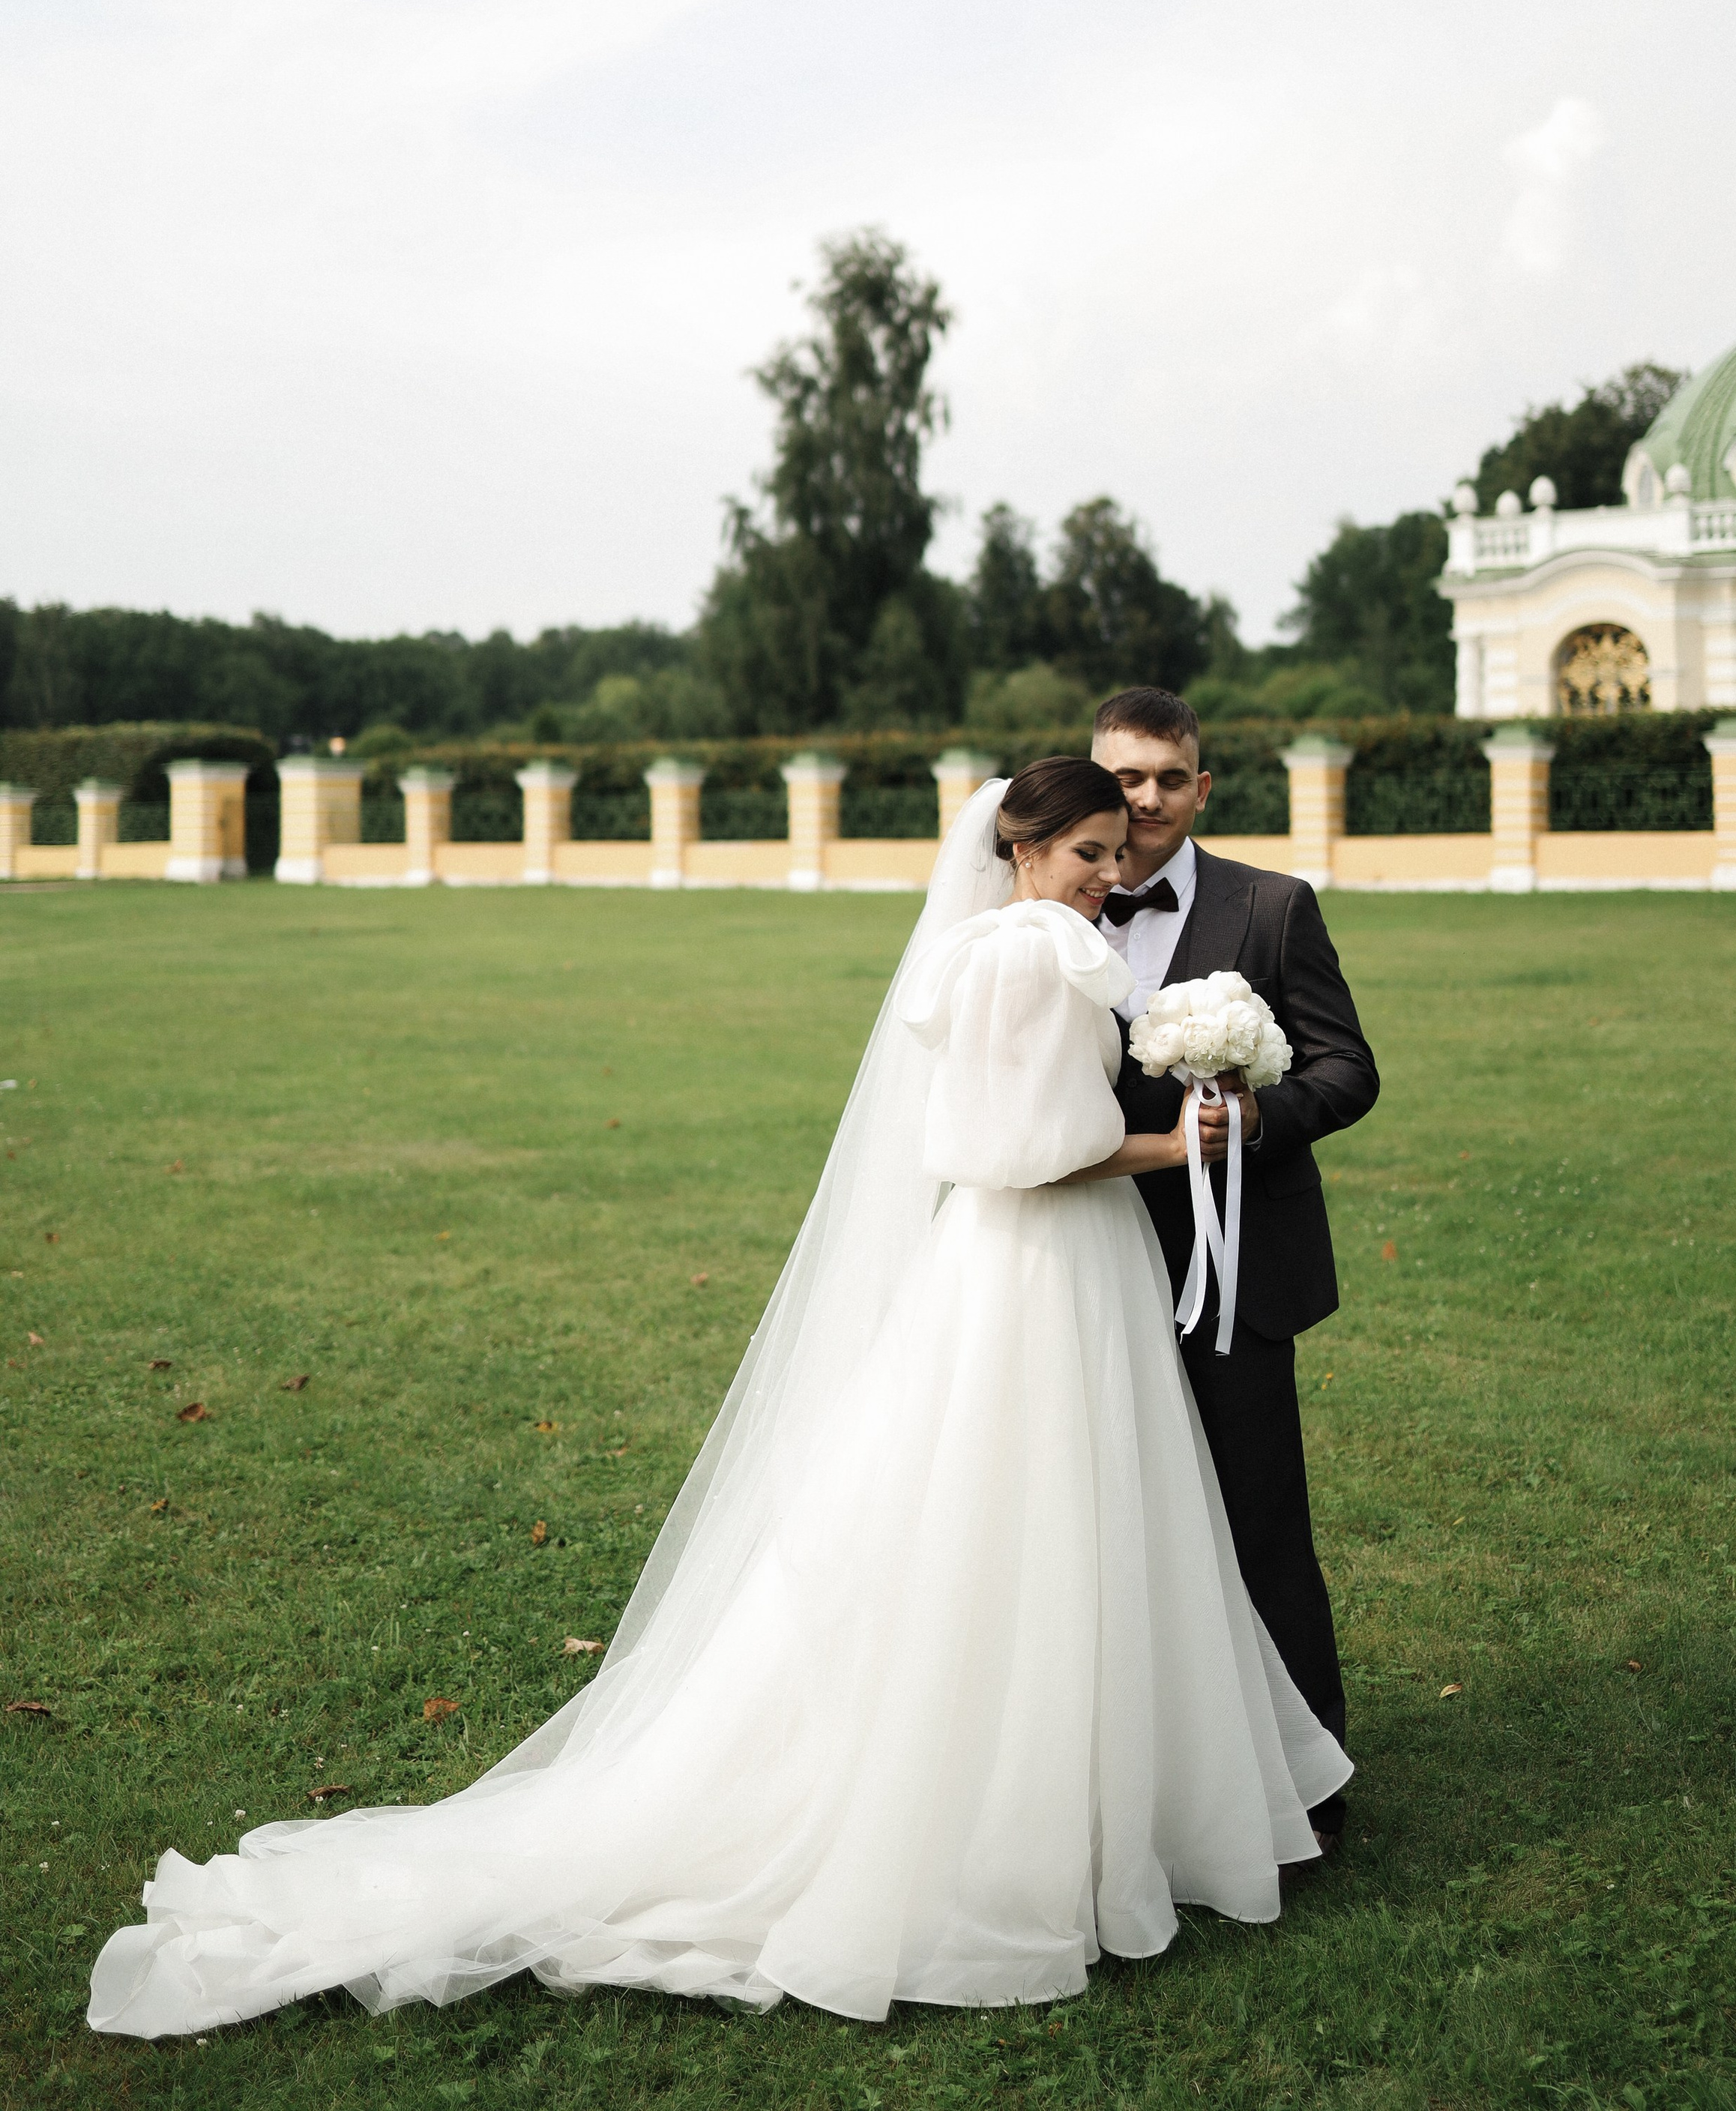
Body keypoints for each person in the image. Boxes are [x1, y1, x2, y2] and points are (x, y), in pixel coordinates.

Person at [91, 759, 1348, 2039]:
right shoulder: (1035, 954)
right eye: (1086, 852)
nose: (1108, 874)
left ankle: (1075, 1791)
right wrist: (1177, 1142)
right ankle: (1028, 1813)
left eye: (1113, 852)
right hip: (1044, 1261)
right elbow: (1017, 1151)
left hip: (1028, 1266)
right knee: (1041, 1513)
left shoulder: (987, 948)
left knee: (1030, 1517)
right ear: (1022, 852)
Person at [1091, 690, 1379, 1849]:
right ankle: (1146, 1772)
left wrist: (1258, 1119)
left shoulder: (1271, 906)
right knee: (1109, 1525)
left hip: (1239, 1274)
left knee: (1260, 1523)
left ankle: (1308, 1782)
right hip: (1088, 1266)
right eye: (1126, 778)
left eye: (1170, 777)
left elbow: (1347, 1069)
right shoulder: (1049, 911)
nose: (1148, 798)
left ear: (1202, 788)